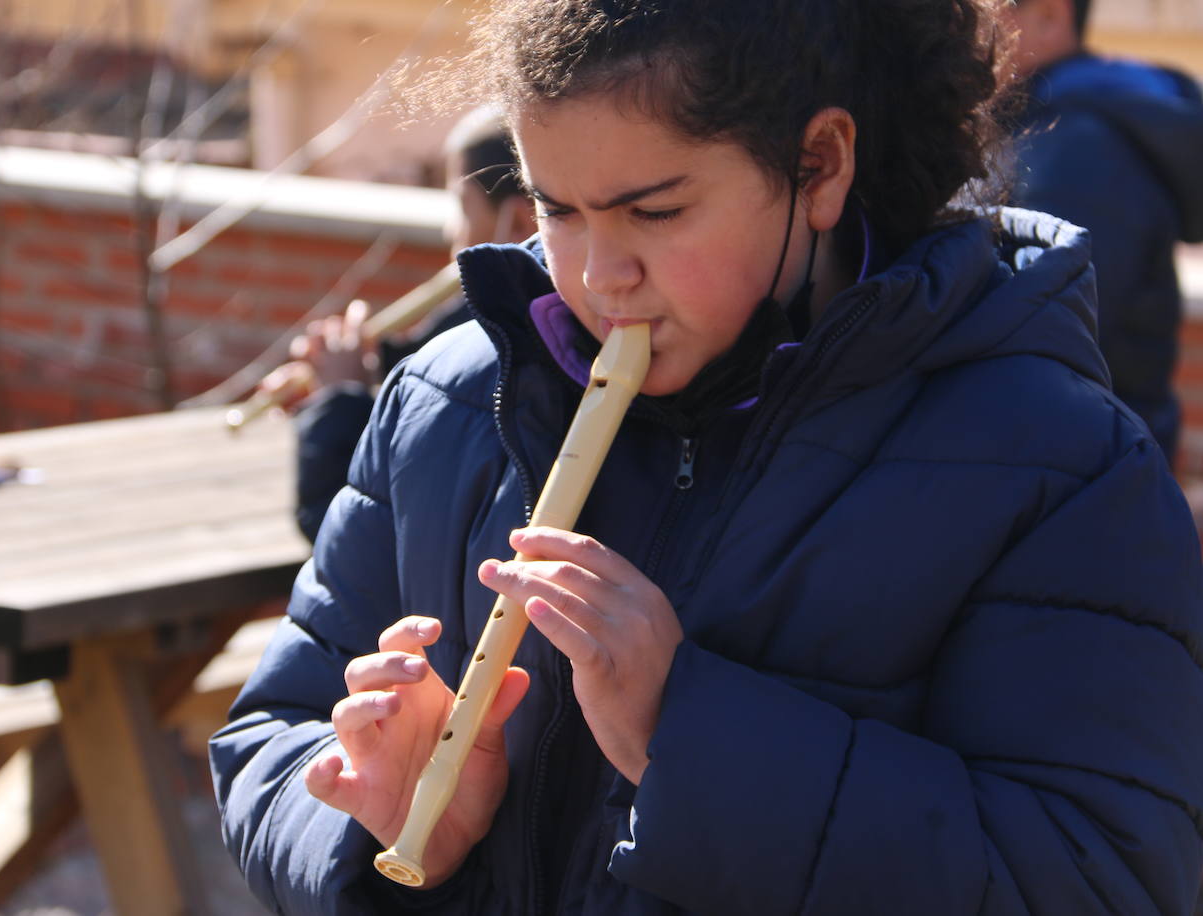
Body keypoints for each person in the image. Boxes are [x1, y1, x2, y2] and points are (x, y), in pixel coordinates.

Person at [211, 1, 1203, 913]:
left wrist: (686, 736)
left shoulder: (1052, 462)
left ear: (818, 166)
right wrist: (379, 821)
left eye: (654, 211)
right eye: (557, 209)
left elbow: (1106, 878)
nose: (601, 277)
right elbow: (272, 730)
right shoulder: (451, 399)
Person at [279, 108, 535, 541]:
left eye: (460, 206)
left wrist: (338, 405)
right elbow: (425, 353)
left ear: (520, 222)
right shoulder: (479, 329)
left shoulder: (505, 369)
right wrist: (364, 365)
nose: (448, 231)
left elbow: (350, 536)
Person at [1002, 0, 1203, 466]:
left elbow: (1047, 333)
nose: (960, 31)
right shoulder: (1053, 123)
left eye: (981, 10)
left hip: (1084, 472)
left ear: (1050, 16)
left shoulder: (1077, 145)